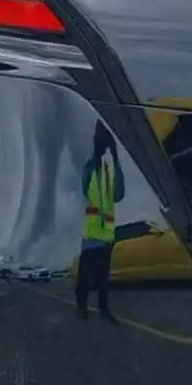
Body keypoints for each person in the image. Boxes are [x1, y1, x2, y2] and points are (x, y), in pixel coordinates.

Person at [76, 124, 125, 321]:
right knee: (85, 278)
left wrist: (115, 156)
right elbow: (84, 187)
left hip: (106, 237)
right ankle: (82, 305)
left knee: (103, 279)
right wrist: (99, 150)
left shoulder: (107, 170)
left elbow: (119, 195)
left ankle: (104, 308)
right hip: (90, 235)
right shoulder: (91, 167)